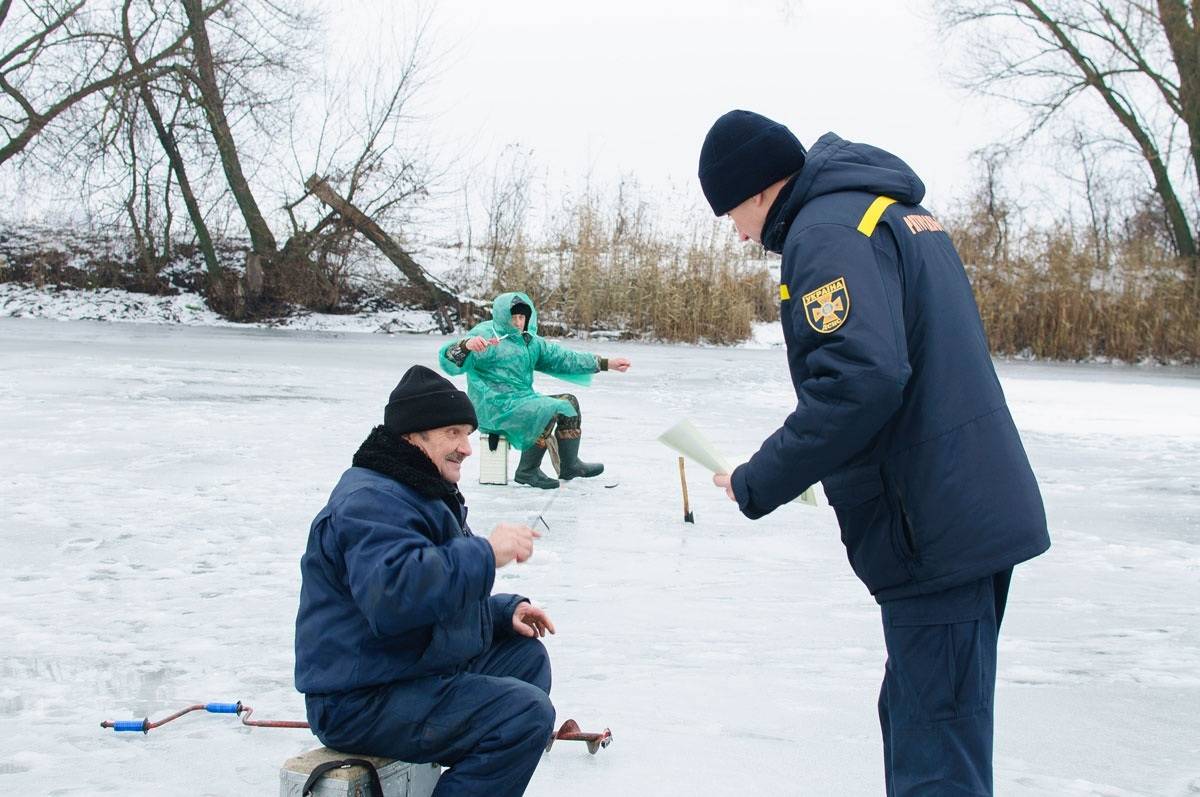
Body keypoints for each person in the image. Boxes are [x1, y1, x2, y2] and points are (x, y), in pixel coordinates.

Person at [697, 110, 1050, 795]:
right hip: (964, 508)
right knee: (924, 718)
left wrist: (757, 479)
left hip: (933, 523)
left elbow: (861, 381)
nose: (738, 233)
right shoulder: (887, 212)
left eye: (730, 212)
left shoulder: (825, 233)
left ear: (760, 189)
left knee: (936, 753)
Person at [294, 365, 558, 797]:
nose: (467, 448)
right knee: (523, 714)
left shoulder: (418, 489)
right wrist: (487, 553)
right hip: (359, 699)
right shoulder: (371, 502)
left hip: (404, 669)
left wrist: (499, 613)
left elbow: (433, 591)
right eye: (453, 433)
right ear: (412, 436)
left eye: (467, 433)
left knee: (524, 657)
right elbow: (395, 599)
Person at [438, 291, 631, 489]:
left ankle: (570, 465)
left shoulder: (530, 341)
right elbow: (449, 360)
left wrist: (607, 363)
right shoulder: (487, 335)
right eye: (513, 317)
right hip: (493, 405)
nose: (518, 322)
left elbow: (564, 358)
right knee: (546, 408)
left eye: (521, 317)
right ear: (503, 316)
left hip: (522, 399)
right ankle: (527, 470)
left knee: (568, 403)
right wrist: (466, 346)